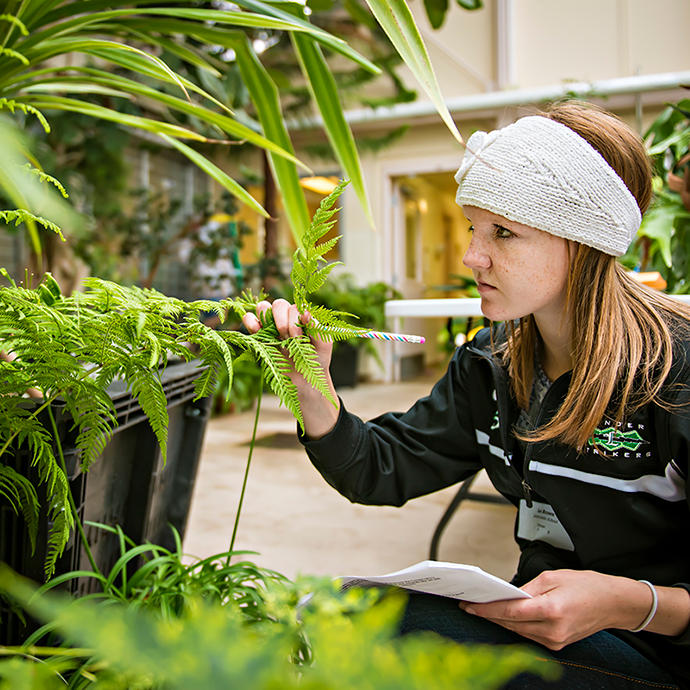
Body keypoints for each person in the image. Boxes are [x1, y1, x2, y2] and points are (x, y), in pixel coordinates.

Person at [243, 101, 690, 689]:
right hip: (545, 634)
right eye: (475, 228)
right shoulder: (493, 362)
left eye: (505, 233)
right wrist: (313, 389)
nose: (472, 257)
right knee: (340, 613)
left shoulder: (672, 373)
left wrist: (629, 603)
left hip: (660, 655)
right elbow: (381, 468)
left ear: (583, 241)